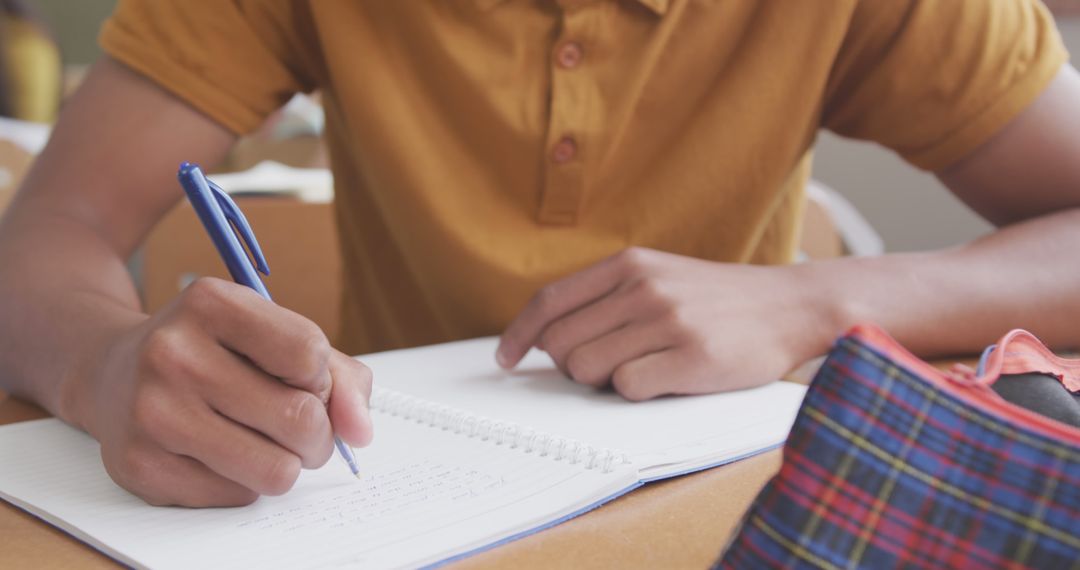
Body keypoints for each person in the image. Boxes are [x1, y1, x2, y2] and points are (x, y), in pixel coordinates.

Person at [1, 0, 1079, 508]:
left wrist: (815, 300)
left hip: (738, 506)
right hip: (377, 499)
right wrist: (104, 364)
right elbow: (44, 240)